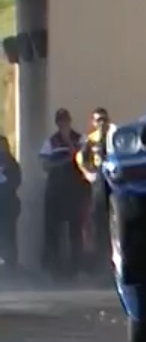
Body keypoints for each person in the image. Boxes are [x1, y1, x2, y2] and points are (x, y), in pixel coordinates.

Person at [40, 108, 88, 279]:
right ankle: (55, 270)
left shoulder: (79, 138)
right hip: (56, 191)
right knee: (53, 231)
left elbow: (84, 158)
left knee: (76, 232)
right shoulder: (50, 142)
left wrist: (69, 143)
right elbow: (45, 165)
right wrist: (59, 163)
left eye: (65, 120)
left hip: (75, 190)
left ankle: (78, 269)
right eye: (60, 121)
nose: (63, 124)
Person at [76, 107, 116, 275]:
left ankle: (113, 262)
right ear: (93, 122)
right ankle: (99, 264)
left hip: (113, 180)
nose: (102, 123)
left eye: (104, 120)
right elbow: (80, 158)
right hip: (98, 181)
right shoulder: (90, 140)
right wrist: (88, 174)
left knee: (113, 221)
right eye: (98, 120)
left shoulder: (114, 137)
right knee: (98, 222)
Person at [0, 136, 21, 270]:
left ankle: (10, 262)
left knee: (8, 232)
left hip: (9, 203)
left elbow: (17, 180)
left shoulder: (12, 163)